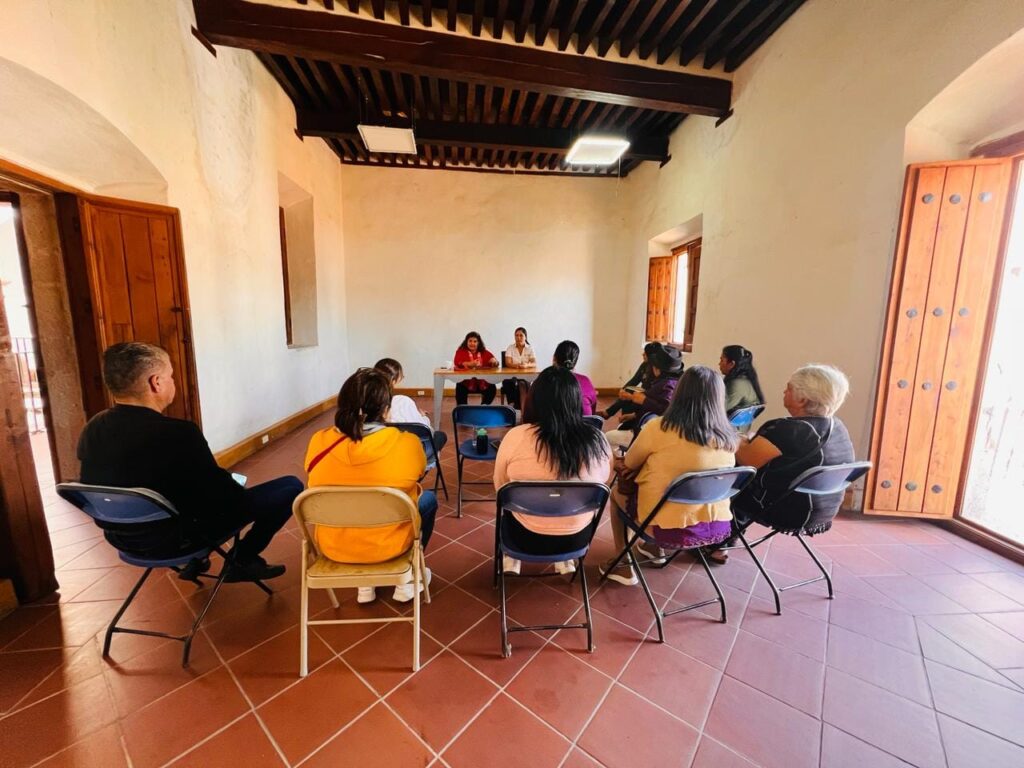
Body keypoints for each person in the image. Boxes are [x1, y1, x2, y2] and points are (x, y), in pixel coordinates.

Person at [78, 342, 299, 582]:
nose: (173, 381)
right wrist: (234, 482)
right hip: (180, 538)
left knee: (184, 496)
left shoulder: (93, 428)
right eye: (170, 375)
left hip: (124, 539)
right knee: (290, 487)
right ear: (156, 383)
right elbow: (223, 496)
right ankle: (242, 559)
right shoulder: (178, 433)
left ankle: (197, 561)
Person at [305, 368, 437, 603]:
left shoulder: (319, 441)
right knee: (427, 500)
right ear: (386, 409)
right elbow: (418, 474)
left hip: (334, 547)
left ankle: (365, 584)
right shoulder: (406, 443)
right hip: (390, 545)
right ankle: (407, 578)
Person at [599, 366, 738, 586]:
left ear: (680, 393)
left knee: (617, 493)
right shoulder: (728, 438)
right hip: (713, 526)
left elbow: (631, 462)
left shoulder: (659, 428)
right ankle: (653, 549)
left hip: (665, 527)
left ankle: (623, 563)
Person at [494, 366, 611, 575]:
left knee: (509, 501)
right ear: (575, 400)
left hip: (523, 538)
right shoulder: (598, 440)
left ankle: (511, 559)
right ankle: (566, 562)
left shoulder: (516, 437)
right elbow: (602, 483)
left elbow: (500, 488)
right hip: (577, 538)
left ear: (534, 400)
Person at [605, 343, 684, 449]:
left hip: (647, 436)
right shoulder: (677, 382)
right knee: (621, 426)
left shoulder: (666, 385)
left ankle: (622, 460)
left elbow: (665, 410)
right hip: (647, 425)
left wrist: (643, 400)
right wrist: (634, 415)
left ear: (656, 369)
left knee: (607, 437)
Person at [374, 357, 448, 455]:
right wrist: (422, 416)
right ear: (394, 380)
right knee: (440, 436)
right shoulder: (402, 401)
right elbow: (424, 429)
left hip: (379, 448)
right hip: (406, 451)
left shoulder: (367, 403)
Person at [598, 343, 657, 419]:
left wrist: (631, 395)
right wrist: (623, 389)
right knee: (627, 391)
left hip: (648, 395)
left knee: (627, 397)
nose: (642, 354)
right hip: (642, 391)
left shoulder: (656, 369)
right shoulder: (644, 365)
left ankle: (608, 413)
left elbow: (652, 390)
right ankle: (612, 415)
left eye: (645, 353)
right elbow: (635, 379)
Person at [454, 331, 498, 405]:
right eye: (470, 341)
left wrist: (495, 362)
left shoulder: (484, 352)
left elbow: (495, 362)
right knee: (459, 386)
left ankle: (483, 408)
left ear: (478, 343)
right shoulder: (460, 351)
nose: (472, 343)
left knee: (492, 388)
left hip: (482, 383)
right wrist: (469, 364)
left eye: (475, 341)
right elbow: (457, 362)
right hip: (466, 383)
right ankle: (463, 410)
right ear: (466, 342)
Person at [720, 345, 765, 413]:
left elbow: (717, 410)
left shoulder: (736, 384)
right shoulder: (746, 380)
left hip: (728, 423)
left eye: (722, 360)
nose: (719, 363)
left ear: (732, 364)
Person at [500, 327, 536, 408]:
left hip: (525, 375)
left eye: (521, 335)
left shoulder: (530, 348)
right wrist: (518, 366)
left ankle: (523, 408)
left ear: (525, 337)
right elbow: (508, 363)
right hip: (512, 374)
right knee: (507, 382)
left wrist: (526, 365)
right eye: (516, 335)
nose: (518, 338)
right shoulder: (510, 347)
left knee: (522, 384)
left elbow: (534, 363)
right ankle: (512, 404)